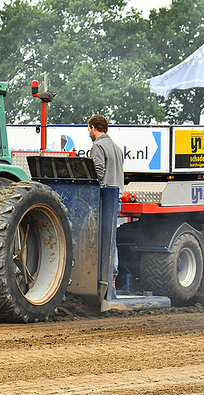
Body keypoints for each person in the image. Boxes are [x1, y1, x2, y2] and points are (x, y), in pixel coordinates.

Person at [88, 114, 124, 286]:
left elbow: (98, 172)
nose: (88, 132)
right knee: (111, 239)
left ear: (94, 127)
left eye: (89, 128)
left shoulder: (98, 146)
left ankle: (102, 279)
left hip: (103, 198)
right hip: (116, 198)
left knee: (98, 239)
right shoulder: (117, 148)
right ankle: (113, 278)